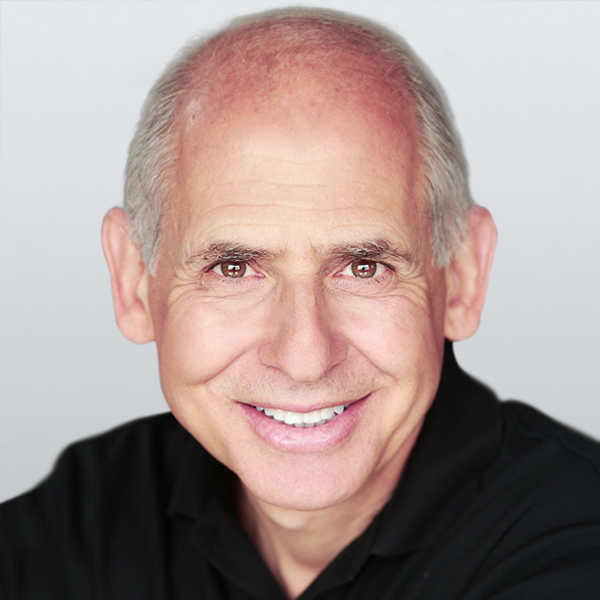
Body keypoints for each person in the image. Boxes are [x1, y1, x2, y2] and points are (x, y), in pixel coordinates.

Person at [1, 7, 599, 599]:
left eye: (364, 267)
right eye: (234, 269)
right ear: (135, 282)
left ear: (462, 278)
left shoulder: (578, 549)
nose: (305, 358)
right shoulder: (81, 525)